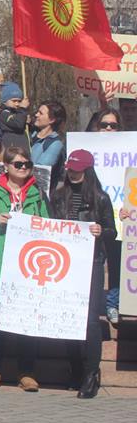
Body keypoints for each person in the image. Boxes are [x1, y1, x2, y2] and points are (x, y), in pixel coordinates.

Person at [50, 150, 115, 399]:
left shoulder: (100, 198)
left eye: (77, 169)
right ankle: (75, 368)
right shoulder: (58, 195)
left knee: (89, 320)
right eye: (70, 168)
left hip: (92, 262)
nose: (72, 172)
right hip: (66, 262)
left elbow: (112, 230)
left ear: (87, 170)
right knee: (69, 317)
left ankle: (91, 373)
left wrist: (101, 230)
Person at [0, 145, 48, 391]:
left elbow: (47, 225)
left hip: (28, 266)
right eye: (17, 164)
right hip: (1, 261)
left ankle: (26, 371)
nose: (22, 168)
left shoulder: (37, 194)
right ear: (6, 166)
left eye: (26, 164)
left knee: (27, 319)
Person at [89, 107, 124, 325]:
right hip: (92, 214)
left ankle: (112, 304)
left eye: (113, 125)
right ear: (96, 127)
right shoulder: (88, 148)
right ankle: (91, 303)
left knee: (116, 261)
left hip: (119, 215)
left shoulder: (129, 149)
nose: (109, 128)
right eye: (104, 125)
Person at [31, 100, 66, 190]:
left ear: (52, 120)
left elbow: (40, 170)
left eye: (41, 113)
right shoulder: (29, 135)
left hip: (39, 192)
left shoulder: (56, 144)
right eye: (37, 112)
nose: (36, 115)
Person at [0, 82, 31, 151]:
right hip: (12, 148)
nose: (17, 104)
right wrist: (23, 108)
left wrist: (29, 121)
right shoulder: (4, 114)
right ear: (5, 101)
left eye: (19, 101)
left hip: (23, 147)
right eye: (14, 101)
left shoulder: (19, 113)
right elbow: (18, 124)